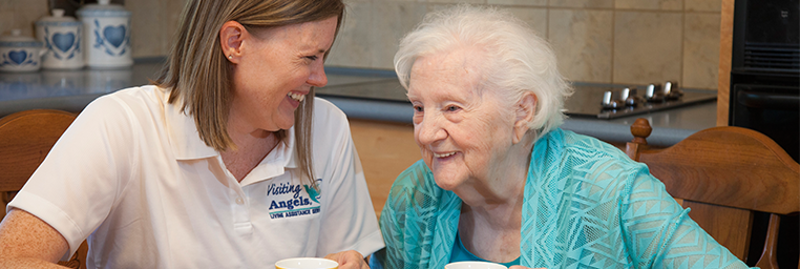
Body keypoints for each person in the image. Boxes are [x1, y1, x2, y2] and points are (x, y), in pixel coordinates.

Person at [0, 0, 384, 268]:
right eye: (308, 58)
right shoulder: (122, 124)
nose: (321, 78)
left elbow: (348, 257)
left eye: (324, 56)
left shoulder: (326, 128)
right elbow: (10, 258)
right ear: (235, 42)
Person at [369, 4, 750, 269]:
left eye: (452, 108)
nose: (427, 132)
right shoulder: (415, 195)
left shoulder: (608, 190)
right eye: (419, 108)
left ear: (523, 112)